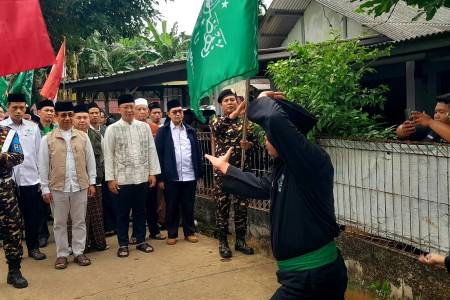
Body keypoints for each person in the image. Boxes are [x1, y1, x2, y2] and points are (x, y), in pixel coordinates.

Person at [205, 92, 348, 299]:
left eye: (267, 135)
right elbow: (263, 186)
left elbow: (273, 118)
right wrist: (227, 169)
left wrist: (261, 99)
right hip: (303, 276)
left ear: (281, 137)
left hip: (312, 277)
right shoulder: (286, 167)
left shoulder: (312, 160)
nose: (264, 140)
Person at [38, 101, 96, 270]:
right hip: (57, 187)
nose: (67, 118)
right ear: (56, 117)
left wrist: (92, 182)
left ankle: (79, 252)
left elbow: (90, 161)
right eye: (63, 115)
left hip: (80, 185)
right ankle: (62, 254)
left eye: (70, 114)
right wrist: (45, 188)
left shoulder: (83, 137)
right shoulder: (47, 139)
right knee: (59, 222)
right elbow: (42, 165)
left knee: (79, 220)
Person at [104, 94, 160, 258]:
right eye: (125, 107)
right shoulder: (112, 129)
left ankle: (141, 240)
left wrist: (152, 173)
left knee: (140, 211)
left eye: (131, 107)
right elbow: (108, 155)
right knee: (122, 213)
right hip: (122, 178)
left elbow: (151, 150)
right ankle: (123, 244)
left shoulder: (143, 128)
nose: (129, 110)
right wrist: (111, 179)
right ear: (119, 109)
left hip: (142, 177)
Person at [210, 89, 257, 258]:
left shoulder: (247, 123)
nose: (230, 102)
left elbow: (257, 144)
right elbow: (217, 130)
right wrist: (236, 112)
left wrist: (249, 146)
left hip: (242, 174)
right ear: (221, 105)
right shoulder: (217, 121)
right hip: (223, 175)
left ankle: (240, 241)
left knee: (241, 209)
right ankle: (223, 243)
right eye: (227, 100)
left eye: (233, 100)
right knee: (222, 209)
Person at [0, 94, 47, 261]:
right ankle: (15, 251)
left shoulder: (33, 128)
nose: (19, 111)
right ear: (8, 108)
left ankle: (33, 248)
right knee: (11, 219)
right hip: (7, 183)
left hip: (30, 180)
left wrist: (42, 180)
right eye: (15, 108)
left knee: (32, 215)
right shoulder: (2, 127)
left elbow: (39, 154)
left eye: (22, 108)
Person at [155, 99, 203, 245]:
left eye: (179, 111)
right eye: (174, 112)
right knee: (172, 206)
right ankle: (172, 233)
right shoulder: (163, 132)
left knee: (188, 205)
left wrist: (198, 174)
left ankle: (189, 232)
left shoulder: (190, 130)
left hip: (189, 175)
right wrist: (161, 178)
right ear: (168, 114)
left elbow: (197, 152)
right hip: (171, 177)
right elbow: (159, 154)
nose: (177, 114)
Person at [0, 102, 28, 288]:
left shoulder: (8, 134)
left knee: (12, 230)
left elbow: (19, 156)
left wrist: (2, 157)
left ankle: (14, 271)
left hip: (4, 190)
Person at [73, 104, 108, 251]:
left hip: (96, 180)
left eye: (85, 117)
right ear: (74, 119)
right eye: (79, 117)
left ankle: (98, 243)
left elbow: (102, 158)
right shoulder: (71, 135)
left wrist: (97, 179)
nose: (82, 120)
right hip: (76, 182)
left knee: (96, 213)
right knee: (80, 215)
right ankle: (82, 245)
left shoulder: (96, 135)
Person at [131, 98, 165, 241]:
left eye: (144, 109)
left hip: (151, 173)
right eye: (139, 109)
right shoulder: (128, 127)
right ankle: (136, 234)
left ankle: (154, 230)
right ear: (133, 111)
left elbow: (157, 153)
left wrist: (156, 174)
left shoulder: (155, 129)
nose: (142, 112)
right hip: (133, 173)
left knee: (151, 203)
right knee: (136, 205)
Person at [35, 100, 56, 248]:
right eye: (46, 110)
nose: (49, 113)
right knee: (40, 206)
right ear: (38, 112)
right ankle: (42, 234)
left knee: (59, 206)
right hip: (39, 173)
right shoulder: (34, 130)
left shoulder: (58, 128)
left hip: (57, 173)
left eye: (51, 110)